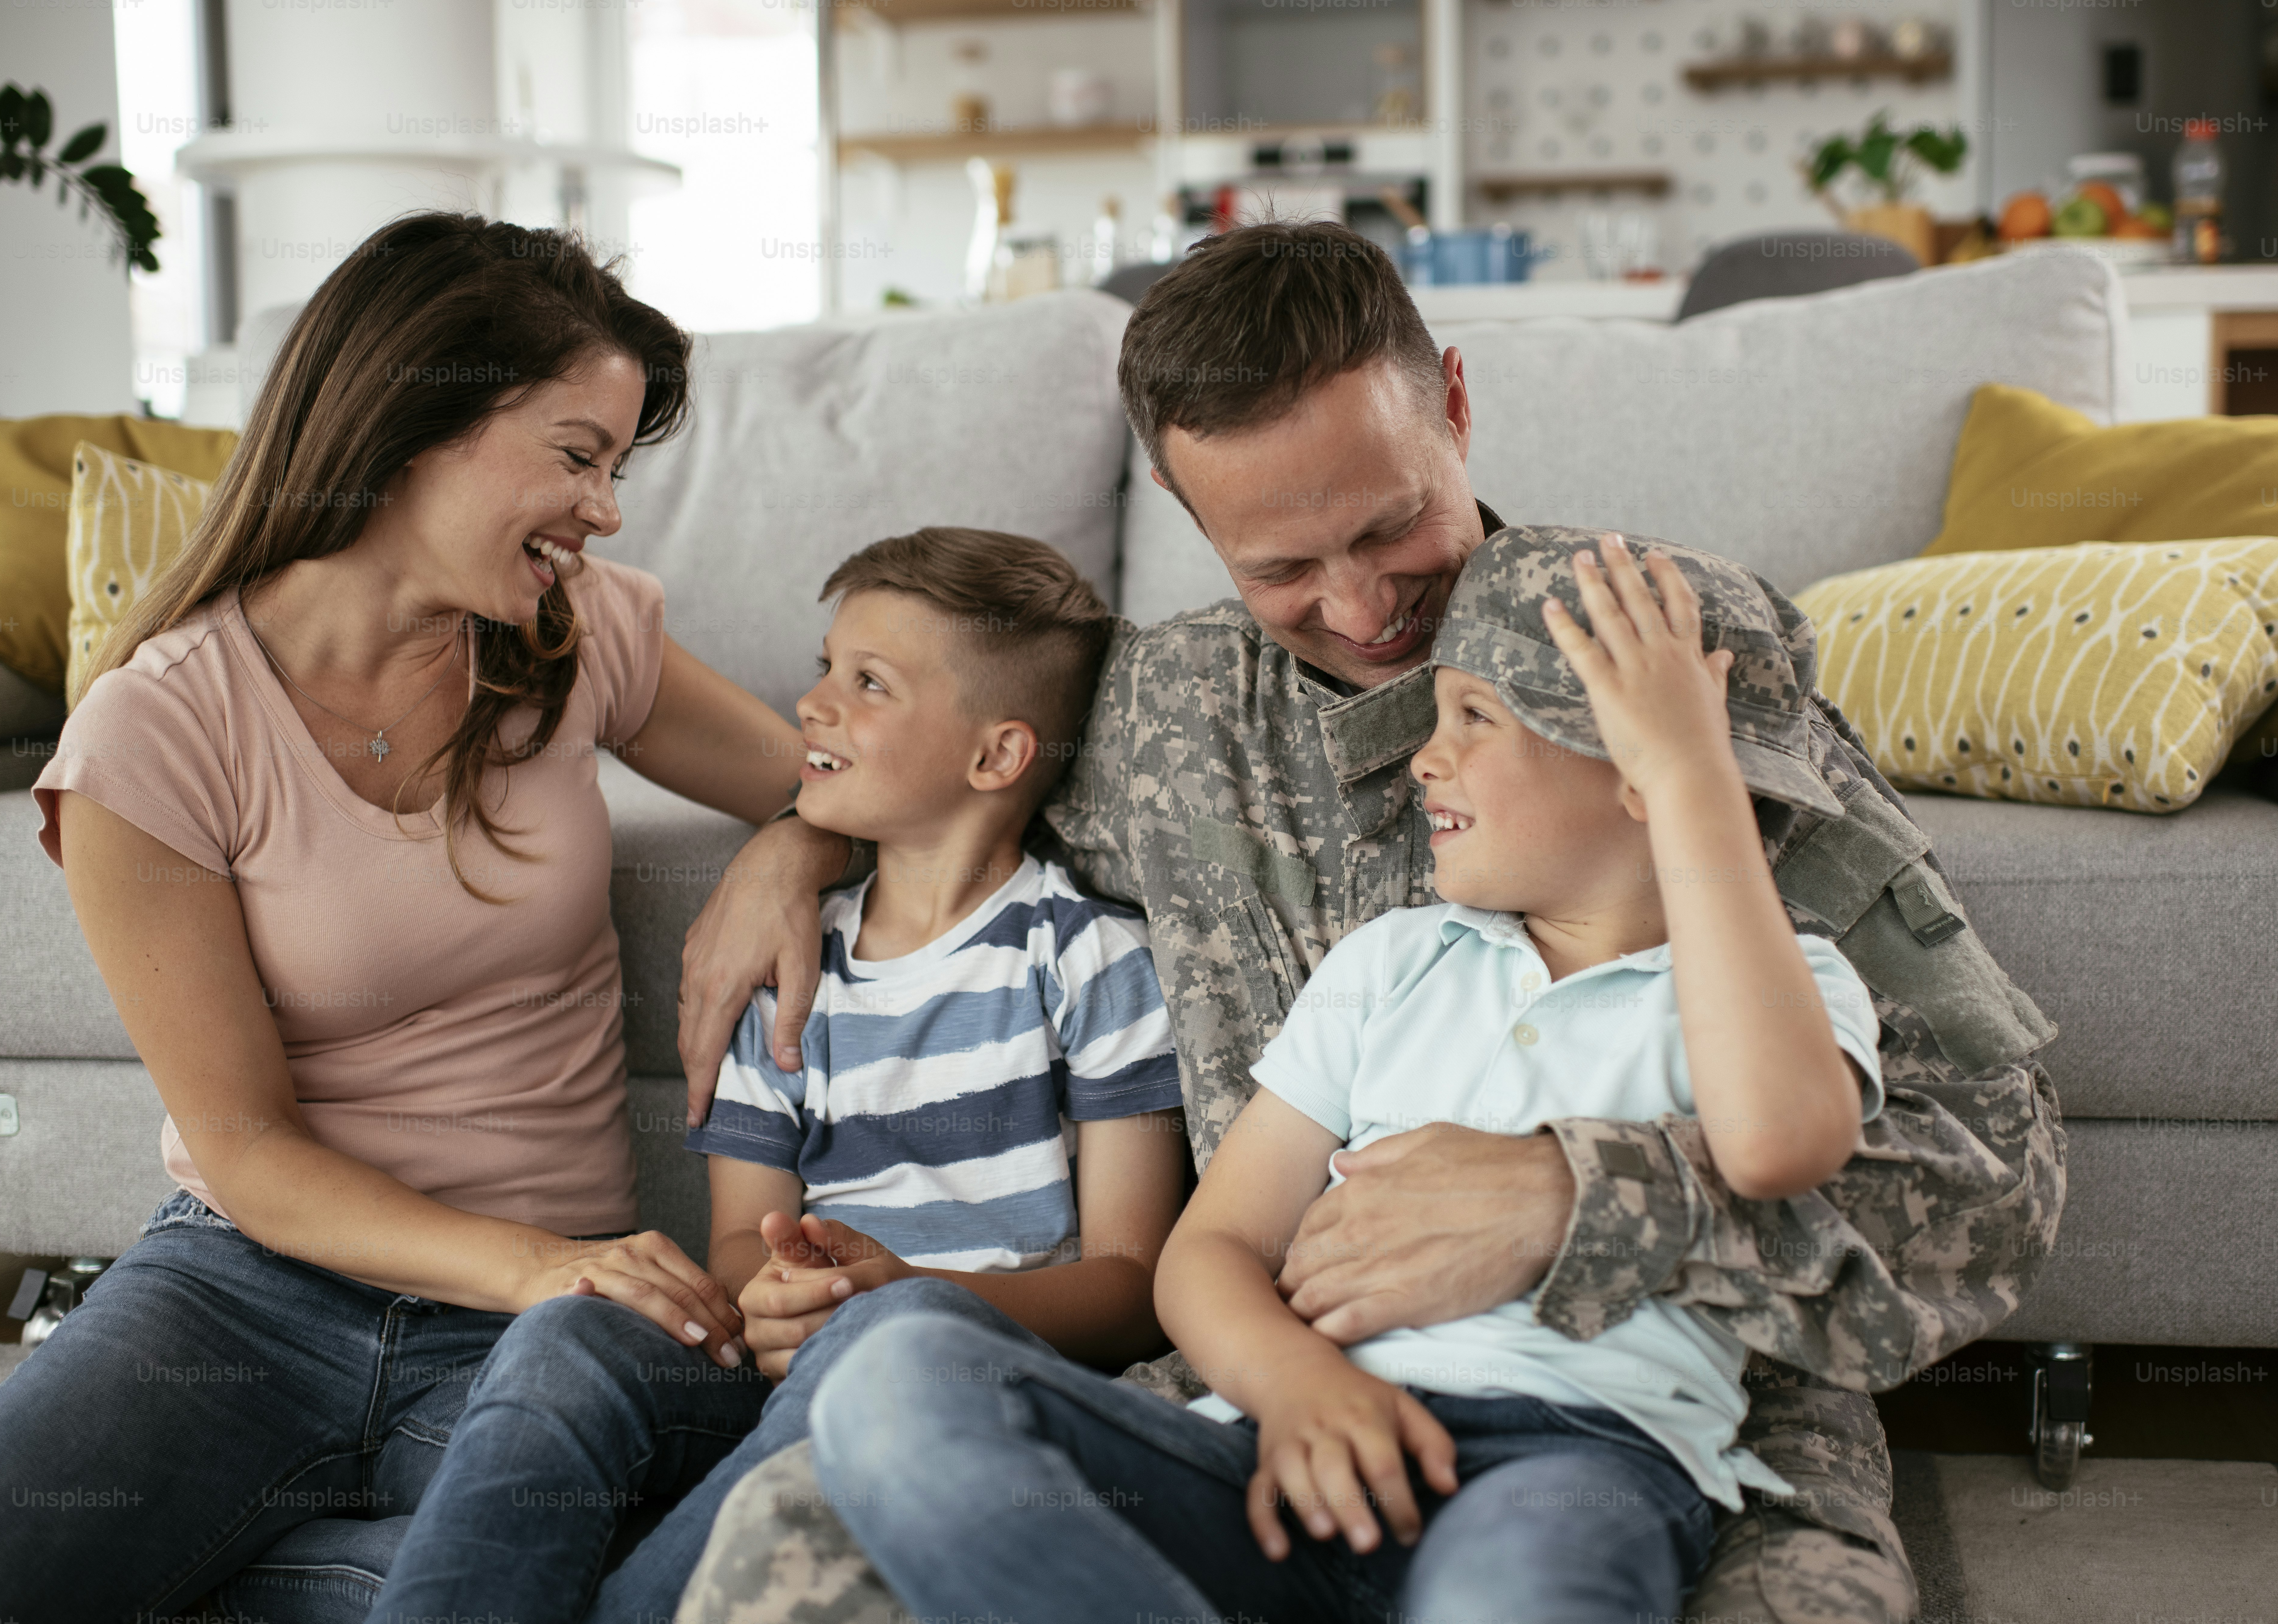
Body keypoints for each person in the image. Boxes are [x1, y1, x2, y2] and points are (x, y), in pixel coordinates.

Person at [674, 220, 2067, 1623]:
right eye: (1283, 566)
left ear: (1454, 404)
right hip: (1269, 1394)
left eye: (1392, 523)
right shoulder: (1171, 716)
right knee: (804, 1544)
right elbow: (947, 752)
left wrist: (1577, 1195)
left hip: (1665, 1426)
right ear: (1180, 505)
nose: (1362, 606)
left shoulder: (1651, 677)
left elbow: (1998, 1171)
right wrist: (799, 840)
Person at [0, 212, 817, 1622]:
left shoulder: (574, 633)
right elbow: (246, 1150)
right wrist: (545, 1264)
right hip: (242, 1297)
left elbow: (836, 787)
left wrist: (786, 855)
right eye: (578, 456)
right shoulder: (157, 729)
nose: (605, 509)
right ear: (420, 418)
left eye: (615, 467)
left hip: (529, 1343)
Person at [808, 523, 1894, 1622]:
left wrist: (1691, 776)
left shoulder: (1785, 980)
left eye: (1476, 717)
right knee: (894, 1388)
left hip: (1569, 1461)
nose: (1426, 756)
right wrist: (1298, 1388)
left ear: (1634, 770)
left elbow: (1776, 1142)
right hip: (1289, 1445)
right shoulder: (1396, 960)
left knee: (1506, 1599)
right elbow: (1213, 1251)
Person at [371, 529, 1191, 1622]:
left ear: (996, 757)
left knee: (879, 1337)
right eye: (823, 667)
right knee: (570, 1333)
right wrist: (777, 1298)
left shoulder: (1089, 960)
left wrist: (909, 1301)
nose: (811, 706)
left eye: (869, 684)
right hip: (782, 1376)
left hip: (967, 1392)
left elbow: (1137, 1288)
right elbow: (737, 1248)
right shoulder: (790, 971)